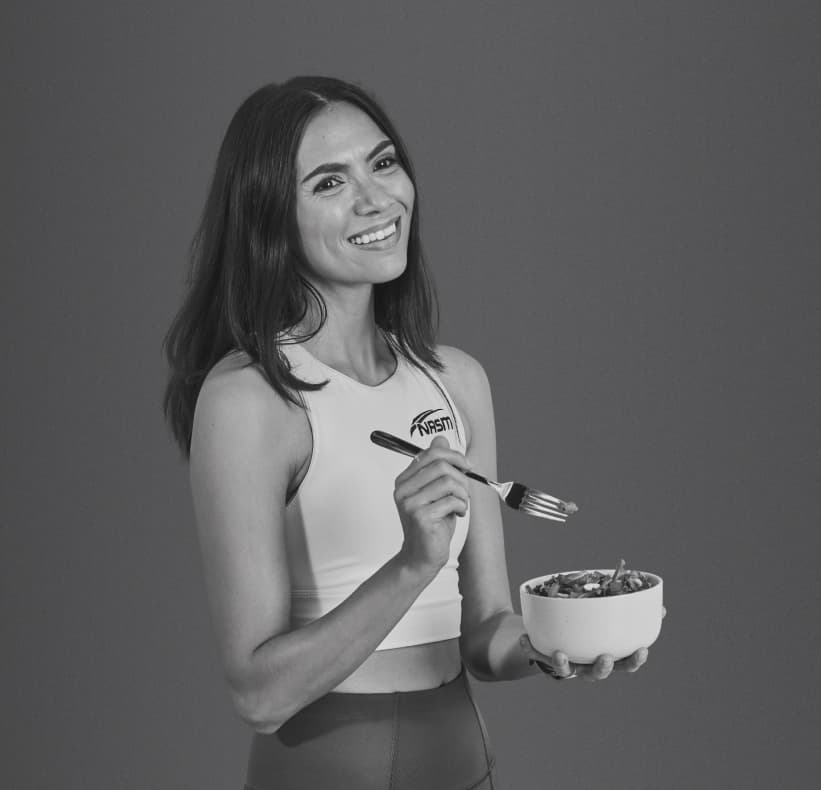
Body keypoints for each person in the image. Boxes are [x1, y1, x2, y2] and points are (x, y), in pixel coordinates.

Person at [163, 76, 647, 789]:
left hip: (462, 753)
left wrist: (557, 645)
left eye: (383, 163)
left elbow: (484, 633)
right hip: (328, 766)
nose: (375, 199)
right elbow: (258, 695)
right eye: (329, 182)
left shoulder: (456, 381)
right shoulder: (251, 399)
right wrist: (411, 564)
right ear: (271, 216)